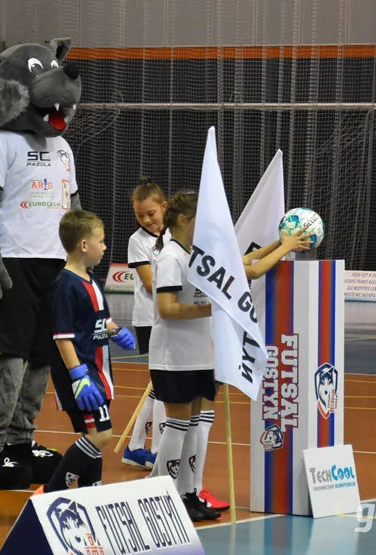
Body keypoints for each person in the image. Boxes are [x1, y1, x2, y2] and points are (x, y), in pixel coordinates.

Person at [35, 210, 134, 495]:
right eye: (101, 241)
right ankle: (51, 491)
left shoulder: (90, 280)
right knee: (100, 434)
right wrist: (78, 376)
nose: (105, 247)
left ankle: (92, 493)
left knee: (93, 435)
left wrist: (115, 330)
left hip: (99, 373)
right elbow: (62, 337)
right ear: (83, 245)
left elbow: (97, 318)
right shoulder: (65, 286)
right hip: (83, 376)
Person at [146, 192, 220, 522]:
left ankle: (188, 493)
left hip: (198, 355)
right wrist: (209, 309)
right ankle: (164, 495)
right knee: (176, 426)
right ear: (184, 221)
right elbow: (166, 308)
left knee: (192, 428)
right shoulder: (171, 257)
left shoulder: (194, 255)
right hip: (173, 357)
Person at [122, 177, 169, 470]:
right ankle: (147, 448)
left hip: (172, 315)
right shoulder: (137, 241)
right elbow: (151, 283)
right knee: (162, 384)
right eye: (140, 215)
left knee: (160, 384)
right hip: (151, 318)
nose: (147, 220)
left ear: (164, 207)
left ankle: (136, 447)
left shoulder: (176, 234)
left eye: (151, 213)